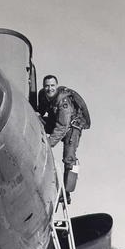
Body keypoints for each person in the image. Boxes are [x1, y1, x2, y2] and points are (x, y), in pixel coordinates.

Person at [38, 75, 90, 203]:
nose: (49, 89)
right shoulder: (43, 95)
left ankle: (66, 193)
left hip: (71, 127)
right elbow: (40, 110)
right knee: (35, 120)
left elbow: (62, 127)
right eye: (47, 86)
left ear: (56, 86)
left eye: (52, 86)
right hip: (57, 121)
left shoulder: (63, 102)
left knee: (69, 158)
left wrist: (48, 144)